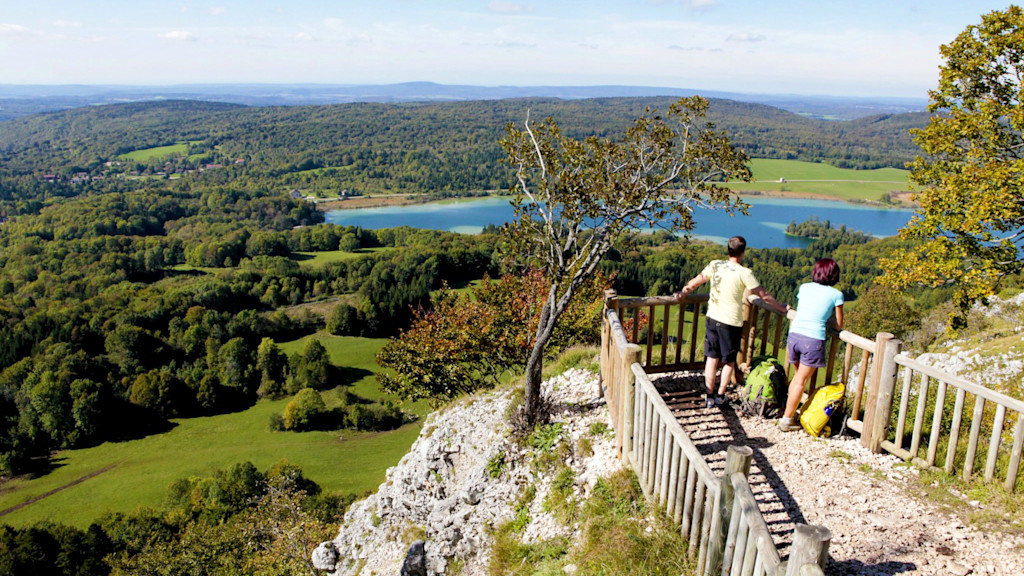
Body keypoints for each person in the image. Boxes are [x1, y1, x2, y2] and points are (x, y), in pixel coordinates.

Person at [675, 236, 787, 409]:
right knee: (728, 361)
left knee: (711, 359)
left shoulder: (716, 265)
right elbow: (763, 295)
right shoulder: (745, 273)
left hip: (712, 318)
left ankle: (709, 396)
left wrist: (683, 292)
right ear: (743, 252)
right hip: (731, 323)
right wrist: (781, 308)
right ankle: (720, 396)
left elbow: (696, 282)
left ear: (728, 250)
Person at [778, 258, 844, 432]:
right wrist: (827, 320)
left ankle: (788, 413)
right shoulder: (836, 294)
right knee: (801, 381)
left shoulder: (804, 287)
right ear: (834, 275)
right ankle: (786, 420)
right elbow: (839, 325)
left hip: (794, 335)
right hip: (813, 339)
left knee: (797, 377)